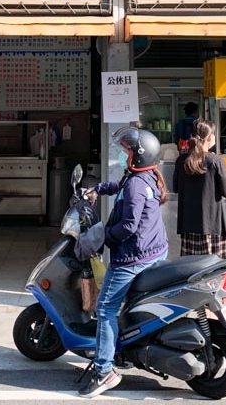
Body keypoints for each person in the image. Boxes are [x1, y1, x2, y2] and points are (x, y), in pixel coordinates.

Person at [79, 127, 169, 398]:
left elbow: (128, 226)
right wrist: (97, 189)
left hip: (132, 257)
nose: (122, 154)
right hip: (153, 251)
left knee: (105, 308)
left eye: (126, 151)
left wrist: (103, 236)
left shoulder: (136, 185)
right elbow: (117, 187)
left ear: (138, 156)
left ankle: (105, 370)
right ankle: (123, 350)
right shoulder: (143, 177)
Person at [174, 118, 226, 258]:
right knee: (213, 271)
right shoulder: (215, 161)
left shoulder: (181, 160)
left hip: (188, 225)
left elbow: (176, 188)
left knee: (191, 269)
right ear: (211, 137)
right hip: (212, 225)